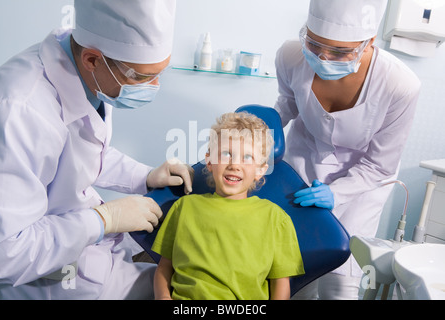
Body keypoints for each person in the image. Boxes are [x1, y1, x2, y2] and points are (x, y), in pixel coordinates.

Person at [0, 0, 193, 300]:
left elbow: (79, 153)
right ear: (92, 60)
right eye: (140, 77)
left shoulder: (85, 68)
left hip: (88, 249)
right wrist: (104, 219)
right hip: (48, 275)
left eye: (159, 73)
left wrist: (147, 176)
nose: (153, 86)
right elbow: (5, 252)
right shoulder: (21, 110)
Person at [274, 0, 421, 299]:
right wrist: (252, 132)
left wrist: (336, 194)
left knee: (340, 282)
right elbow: (286, 105)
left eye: (340, 52)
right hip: (301, 170)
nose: (324, 56)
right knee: (292, 271)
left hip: (360, 189)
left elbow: (379, 165)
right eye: (314, 44)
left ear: (369, 43)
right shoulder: (291, 55)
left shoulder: (399, 84)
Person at [152, 112, 305, 300]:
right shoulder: (184, 207)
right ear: (209, 161)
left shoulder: (275, 218)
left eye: (247, 157)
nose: (234, 165)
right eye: (226, 154)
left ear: (260, 170)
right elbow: (164, 267)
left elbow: (281, 283)